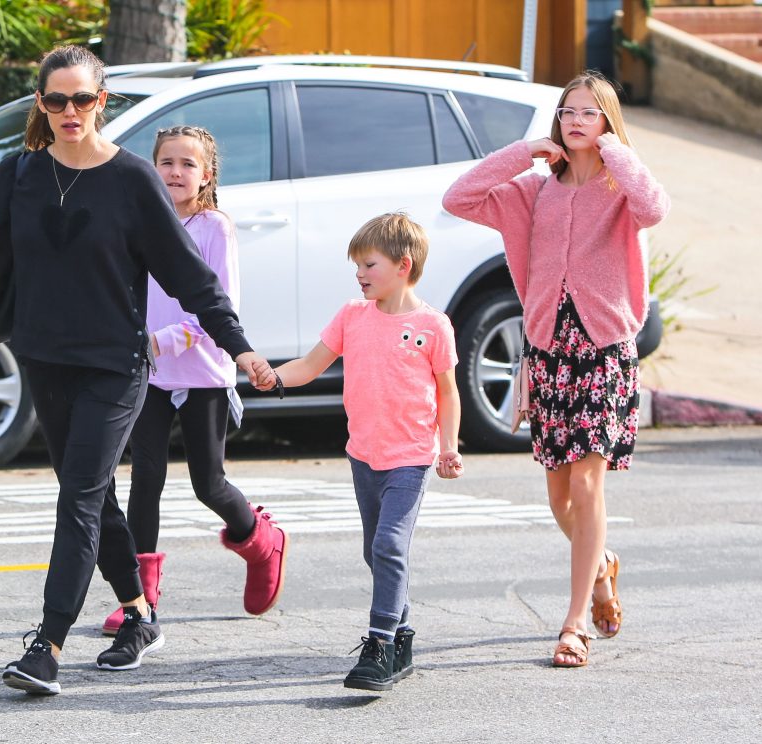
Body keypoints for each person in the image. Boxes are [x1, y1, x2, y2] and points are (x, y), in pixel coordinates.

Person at [0, 45, 272, 696]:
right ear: (41, 103)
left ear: (102, 102)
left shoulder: (132, 180)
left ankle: (47, 646)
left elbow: (190, 277)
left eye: (81, 99)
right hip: (44, 360)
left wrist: (239, 347)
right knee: (96, 499)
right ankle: (140, 614)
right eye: (56, 99)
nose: (69, 111)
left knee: (78, 498)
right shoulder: (18, 175)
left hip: (116, 367)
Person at [442, 71, 670, 668]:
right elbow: (458, 198)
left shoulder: (622, 188)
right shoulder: (533, 192)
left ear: (606, 122)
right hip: (549, 349)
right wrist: (522, 153)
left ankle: (574, 625)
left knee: (590, 484)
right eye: (568, 111)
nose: (575, 120)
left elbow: (656, 207)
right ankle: (601, 565)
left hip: (604, 349)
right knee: (559, 496)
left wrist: (615, 149)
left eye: (590, 113)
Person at [257, 213, 463, 691]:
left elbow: (448, 391)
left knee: (390, 545)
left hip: (409, 457)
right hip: (363, 454)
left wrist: (447, 447)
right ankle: (403, 637)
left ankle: (379, 645)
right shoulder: (353, 315)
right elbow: (311, 364)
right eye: (358, 265)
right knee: (376, 553)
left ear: (403, 265)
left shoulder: (433, 325)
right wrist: (272, 377)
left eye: (368, 264)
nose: (360, 273)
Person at [99, 125, 288, 637]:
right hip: (152, 373)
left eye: (187, 164)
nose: (176, 172)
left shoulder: (214, 228)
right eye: (166, 162)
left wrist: (162, 340)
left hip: (202, 371)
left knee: (209, 483)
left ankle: (262, 541)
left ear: (207, 175)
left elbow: (216, 306)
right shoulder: (143, 221)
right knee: (146, 480)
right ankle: (139, 599)